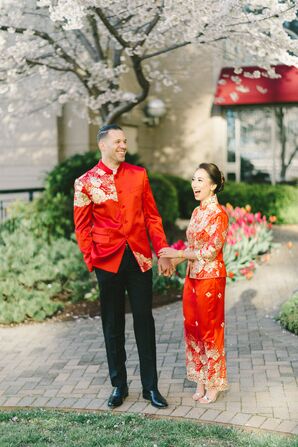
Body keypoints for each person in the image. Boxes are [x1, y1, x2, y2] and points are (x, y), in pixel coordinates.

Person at [73, 124, 173, 409]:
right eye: (117, 141)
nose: (123, 145)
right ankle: (119, 385)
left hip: (139, 258)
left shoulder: (138, 175)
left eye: (125, 141)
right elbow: (82, 227)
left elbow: (152, 217)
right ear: (102, 145)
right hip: (107, 260)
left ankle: (150, 388)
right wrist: (91, 259)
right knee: (112, 325)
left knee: (145, 321)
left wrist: (162, 251)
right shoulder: (86, 182)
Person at [159, 163, 229, 404]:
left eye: (200, 180)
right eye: (193, 179)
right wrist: (174, 261)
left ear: (212, 185)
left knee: (210, 331)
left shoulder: (219, 215)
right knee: (193, 328)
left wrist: (174, 253)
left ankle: (214, 382)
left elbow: (209, 252)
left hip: (211, 279)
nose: (194, 184)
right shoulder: (197, 213)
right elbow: (193, 249)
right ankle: (200, 378)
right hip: (192, 277)